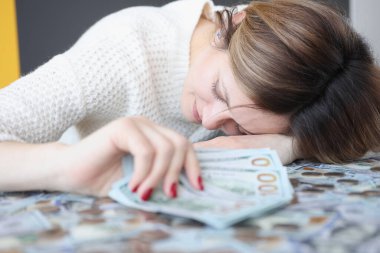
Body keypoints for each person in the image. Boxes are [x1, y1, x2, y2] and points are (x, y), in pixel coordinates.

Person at [0, 0, 379, 201]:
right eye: (218, 90)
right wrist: (68, 166)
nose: (211, 122)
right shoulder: (121, 50)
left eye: (240, 127)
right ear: (230, 27)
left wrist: (290, 143)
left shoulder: (299, 84)